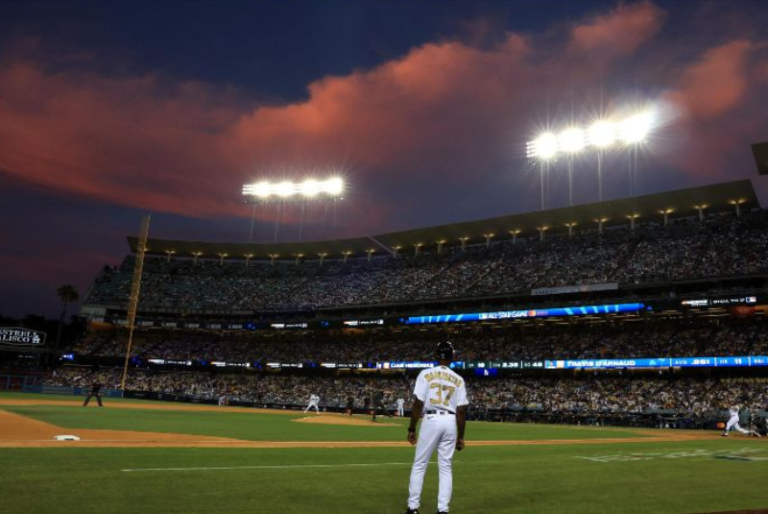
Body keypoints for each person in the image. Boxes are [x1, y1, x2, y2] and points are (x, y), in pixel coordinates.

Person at [405, 341, 468, 514]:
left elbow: (418, 403)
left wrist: (411, 428)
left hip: (431, 419)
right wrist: (461, 436)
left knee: (419, 464)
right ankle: (443, 510)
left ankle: (413, 508)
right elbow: (461, 410)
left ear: (435, 355)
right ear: (452, 357)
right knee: (446, 467)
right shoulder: (459, 379)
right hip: (450, 421)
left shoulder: (425, 374)